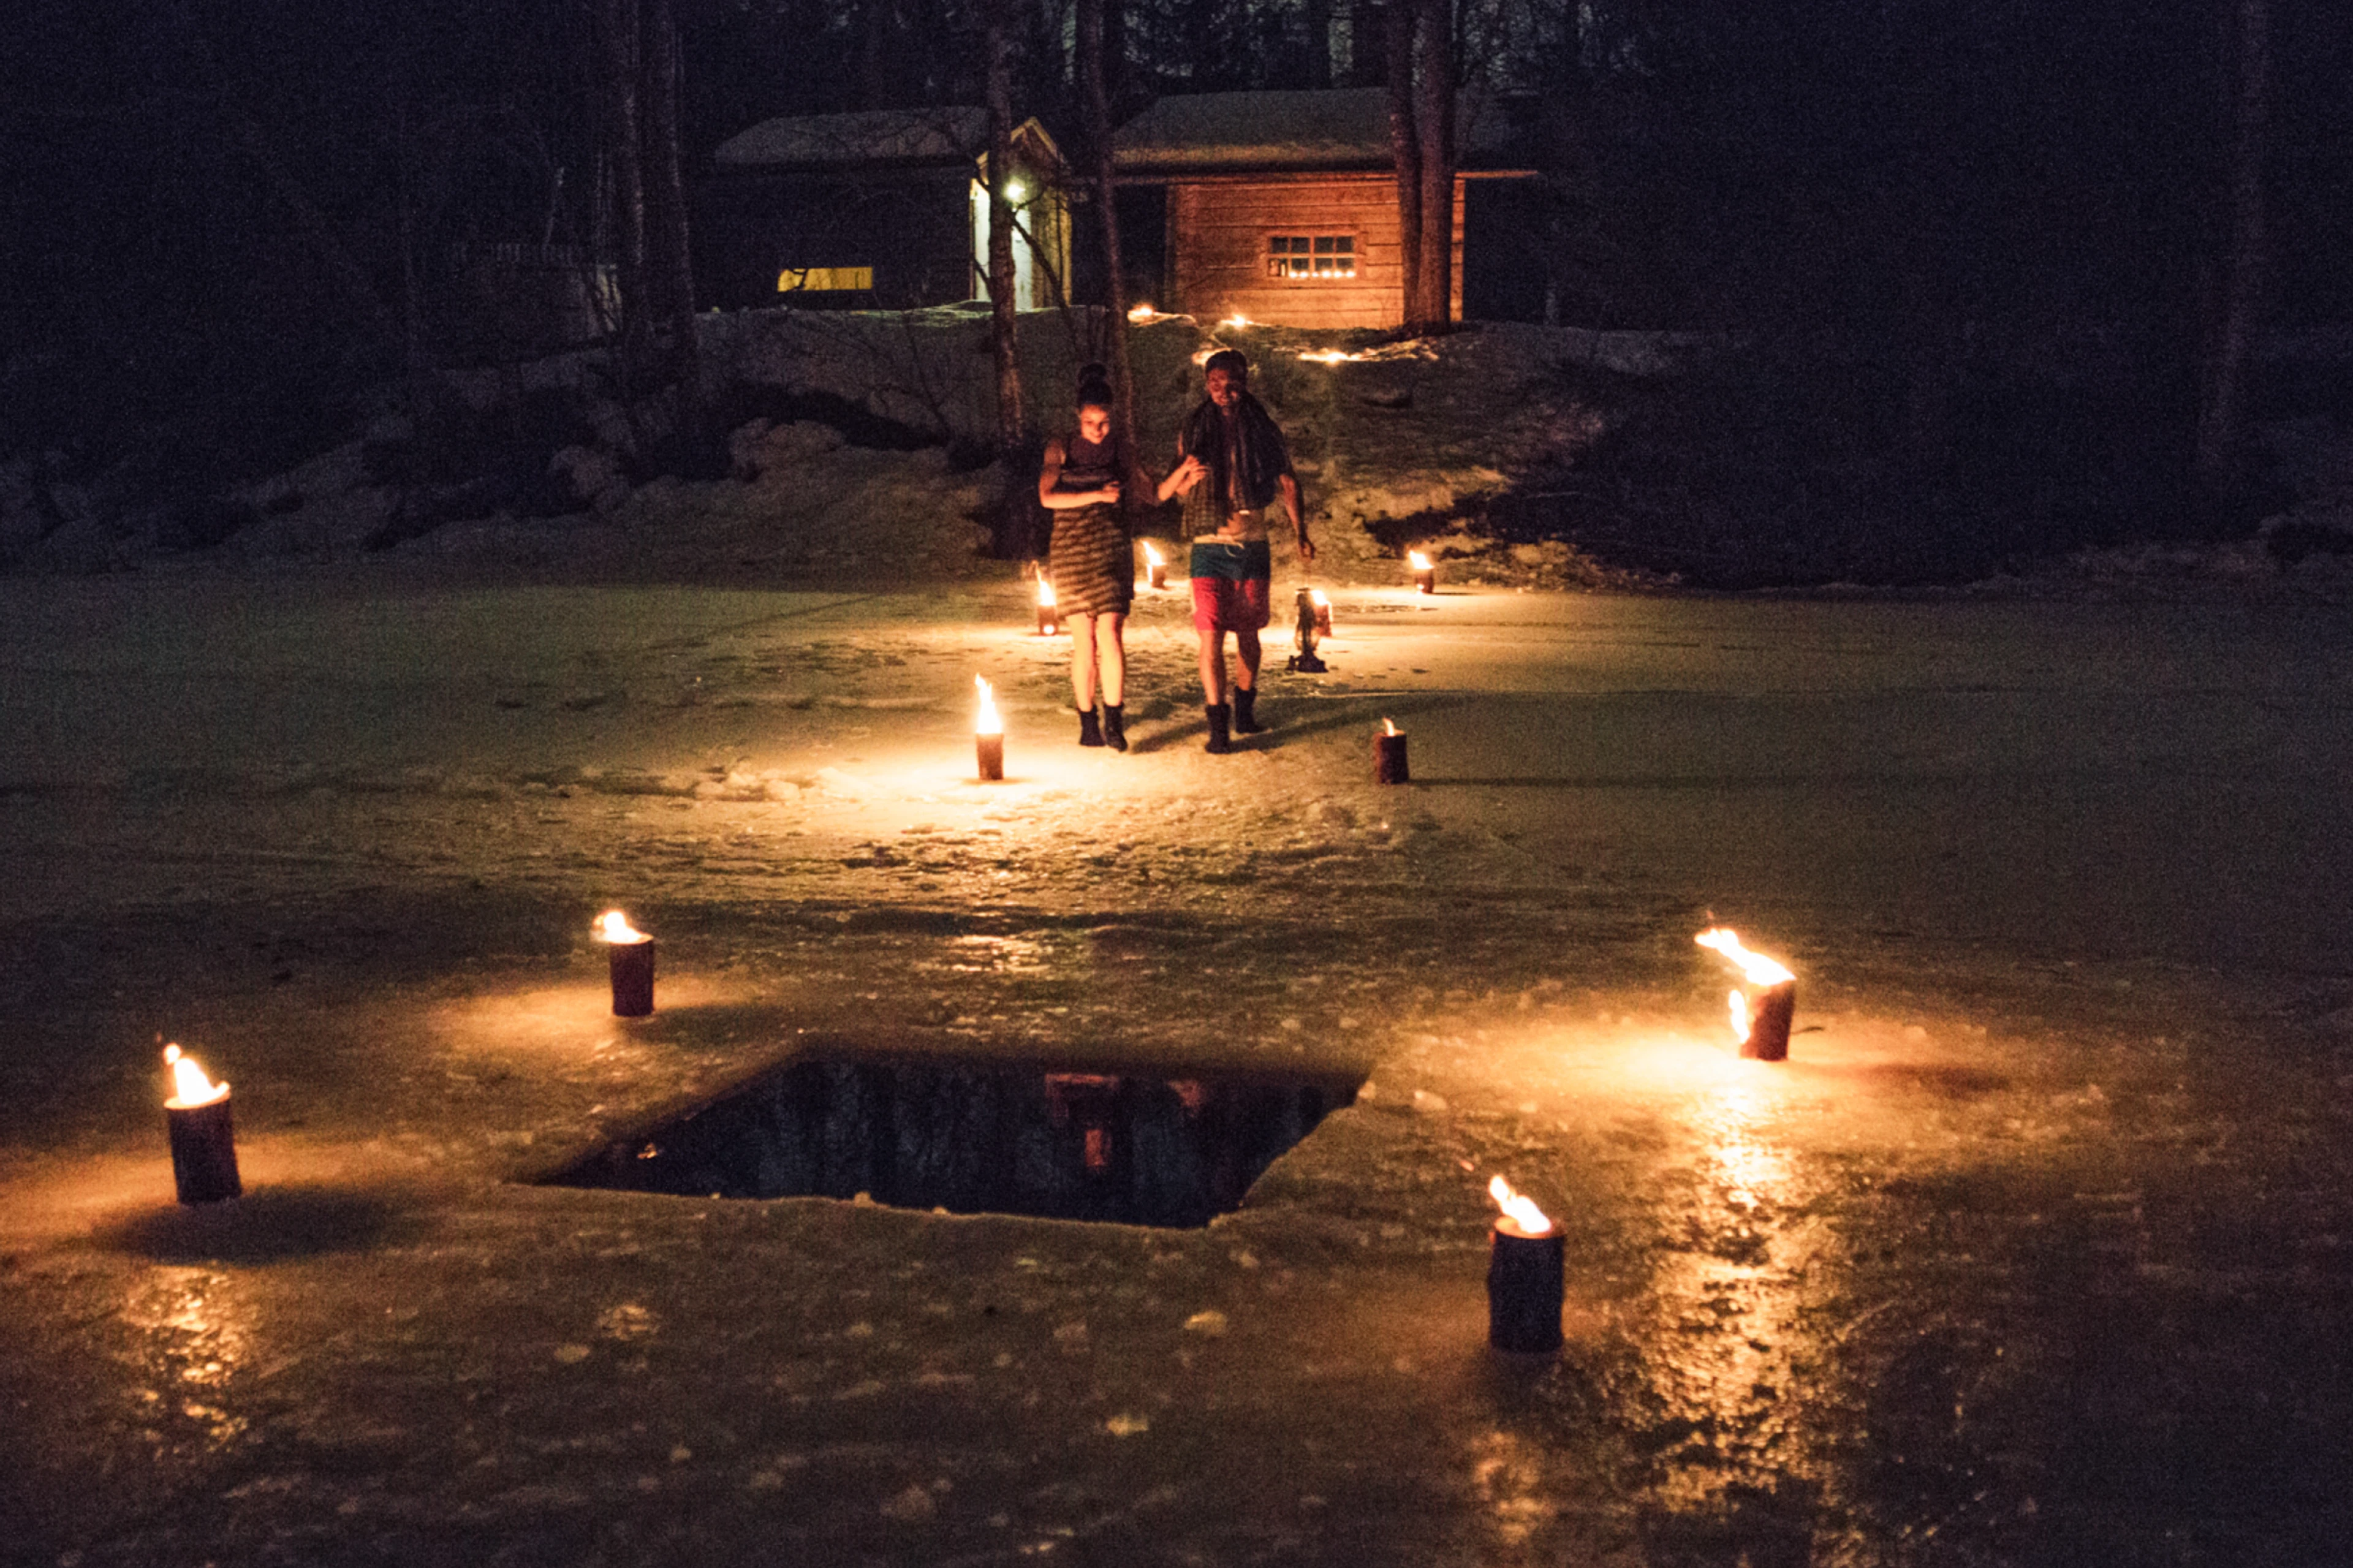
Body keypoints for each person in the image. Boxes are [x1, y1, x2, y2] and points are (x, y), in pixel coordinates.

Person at [1156, 349, 1314, 754]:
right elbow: (1176, 490)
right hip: (1208, 544)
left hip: (1252, 544)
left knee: (1248, 632)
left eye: (1232, 384)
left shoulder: (1262, 428)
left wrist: (1301, 533)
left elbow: (1289, 483)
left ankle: (1244, 707)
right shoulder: (1193, 427)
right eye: (1215, 384)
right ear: (1206, 385)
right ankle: (1218, 724)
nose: (1224, 392)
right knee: (1210, 637)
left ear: (1244, 383)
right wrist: (1186, 476)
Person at [1037, 365, 1133, 750]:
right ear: (1078, 416)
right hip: (1072, 549)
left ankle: (1114, 721)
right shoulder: (1059, 447)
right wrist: (1095, 495)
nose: (1098, 430)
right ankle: (1087, 721)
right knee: (1085, 641)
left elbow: (1145, 488)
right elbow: (1048, 497)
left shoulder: (1120, 447)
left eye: (1104, 421)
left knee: (1110, 633)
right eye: (1090, 421)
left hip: (1110, 545)